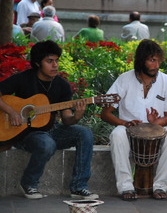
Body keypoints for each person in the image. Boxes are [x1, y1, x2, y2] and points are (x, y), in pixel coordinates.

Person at [0, 40, 99, 200]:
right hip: (26, 133)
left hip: (52, 129)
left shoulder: (62, 86)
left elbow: (66, 119)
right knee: (47, 144)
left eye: (57, 61)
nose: (55, 65)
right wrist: (12, 112)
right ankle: (29, 183)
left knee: (85, 133)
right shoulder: (23, 79)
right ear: (38, 63)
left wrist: (76, 117)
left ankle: (78, 187)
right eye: (49, 61)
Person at [100, 39, 167, 201]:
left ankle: (160, 186)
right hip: (128, 130)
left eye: (158, 60)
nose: (157, 65)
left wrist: (156, 123)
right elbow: (106, 113)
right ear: (141, 60)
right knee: (117, 134)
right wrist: (125, 123)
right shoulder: (124, 79)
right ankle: (126, 187)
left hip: (156, 132)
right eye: (152, 60)